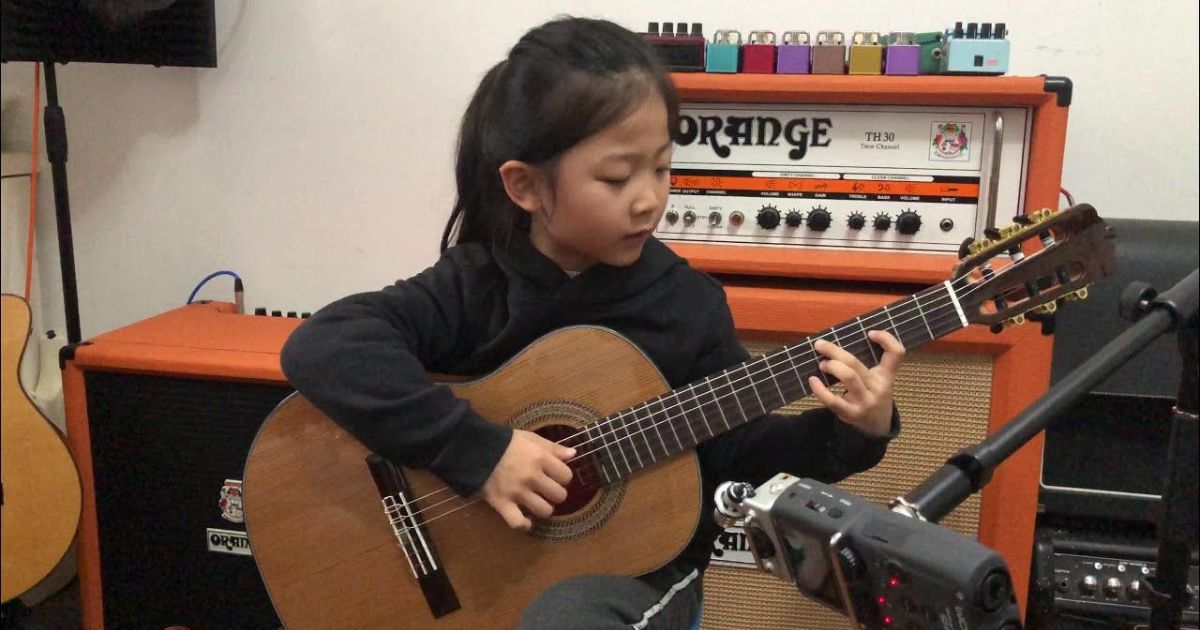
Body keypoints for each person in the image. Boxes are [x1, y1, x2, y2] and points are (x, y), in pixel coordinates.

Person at [280, 16, 904, 630]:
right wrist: (480, 452)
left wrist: (855, 431)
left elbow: (735, 456)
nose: (649, 199)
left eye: (661, 168)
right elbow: (326, 345)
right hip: (491, 579)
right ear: (525, 186)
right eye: (616, 176)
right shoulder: (475, 282)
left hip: (642, 574)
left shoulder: (686, 304)